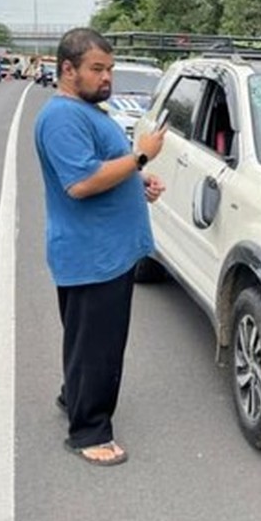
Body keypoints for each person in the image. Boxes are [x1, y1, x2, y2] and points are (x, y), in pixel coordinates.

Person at [33, 27, 167, 466]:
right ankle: (89, 431)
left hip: (101, 251)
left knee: (85, 337)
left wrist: (135, 180)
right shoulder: (62, 118)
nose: (106, 77)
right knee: (100, 345)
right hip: (94, 255)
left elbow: (102, 168)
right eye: (97, 69)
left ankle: (74, 396)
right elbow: (82, 183)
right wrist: (142, 157)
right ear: (67, 69)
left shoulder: (87, 111)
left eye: (109, 68)